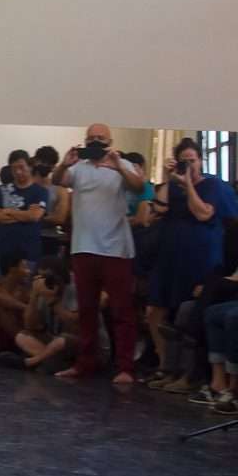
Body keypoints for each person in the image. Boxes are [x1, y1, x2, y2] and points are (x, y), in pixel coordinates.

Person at [50, 124, 145, 384]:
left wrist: (118, 166)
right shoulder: (78, 168)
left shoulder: (121, 163)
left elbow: (138, 187)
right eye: (91, 139)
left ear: (110, 141)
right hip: (83, 247)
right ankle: (86, 363)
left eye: (100, 139)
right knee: (87, 311)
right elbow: (57, 180)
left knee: (121, 311)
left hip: (116, 248)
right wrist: (63, 163)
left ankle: (125, 367)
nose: (95, 142)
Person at [145, 137, 238, 378]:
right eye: (184, 161)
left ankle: (191, 372)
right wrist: (168, 179)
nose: (189, 165)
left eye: (192, 160)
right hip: (170, 257)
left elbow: (203, 213)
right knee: (155, 309)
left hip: (201, 258)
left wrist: (188, 185)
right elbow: (159, 209)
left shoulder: (213, 185)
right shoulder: (174, 185)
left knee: (189, 311)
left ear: (201, 160)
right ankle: (166, 365)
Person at [0, 150, 48, 272]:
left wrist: (8, 211)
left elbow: (35, 216)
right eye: (14, 168)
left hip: (29, 252)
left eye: (21, 167)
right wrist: (25, 214)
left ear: (30, 167)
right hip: (2, 251)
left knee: (26, 289)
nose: (18, 172)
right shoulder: (1, 190)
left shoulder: (40, 191)